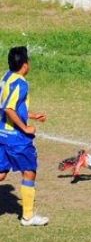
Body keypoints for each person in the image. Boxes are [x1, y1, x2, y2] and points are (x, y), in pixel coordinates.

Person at [0, 46, 49, 226]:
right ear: (25, 65)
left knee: (1, 173)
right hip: (16, 138)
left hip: (2, 133)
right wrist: (25, 127)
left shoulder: (6, 77)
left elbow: (7, 104)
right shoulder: (21, 83)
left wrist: (31, 114)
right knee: (29, 172)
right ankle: (28, 216)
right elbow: (9, 108)